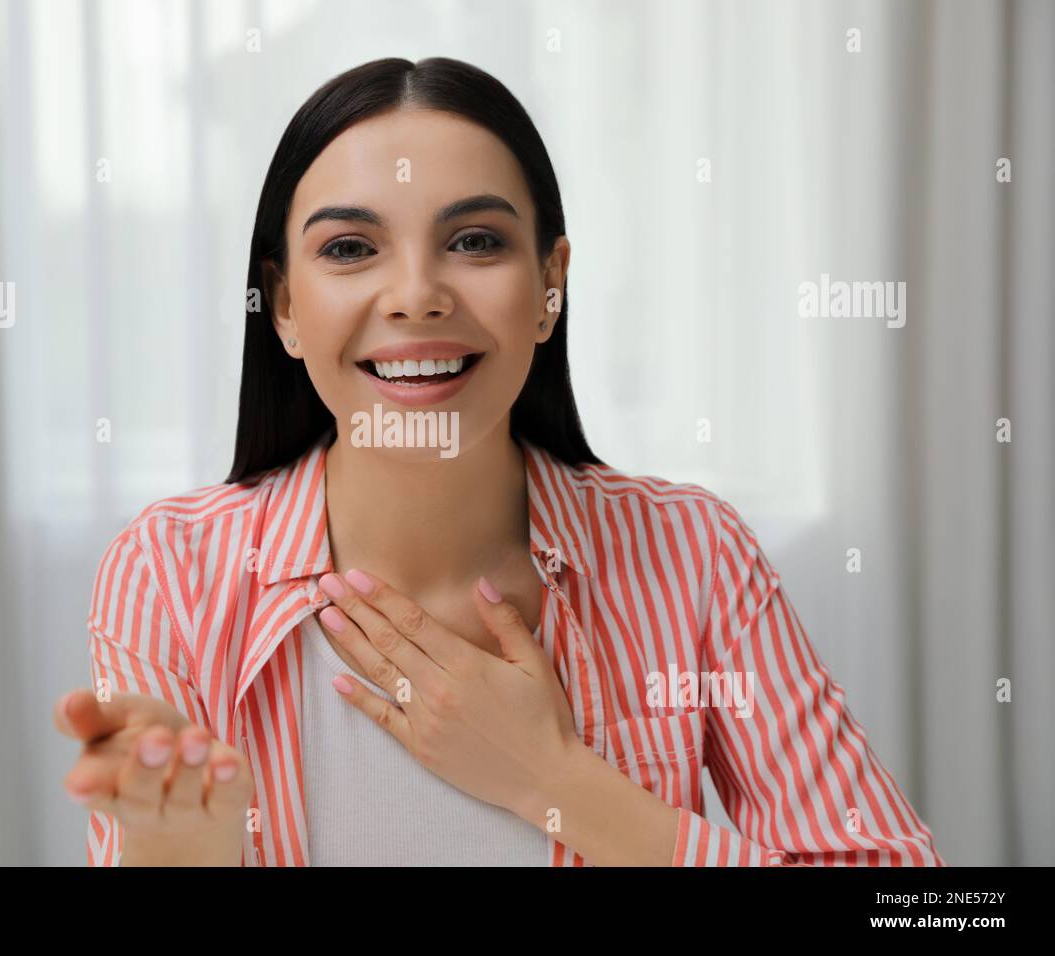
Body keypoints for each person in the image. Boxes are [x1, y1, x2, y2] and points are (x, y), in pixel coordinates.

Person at [54, 56, 944, 867]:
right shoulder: (171, 572)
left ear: (550, 286)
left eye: (475, 240)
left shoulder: (692, 554)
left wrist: (556, 782)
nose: (415, 296)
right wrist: (183, 851)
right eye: (350, 249)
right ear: (283, 306)